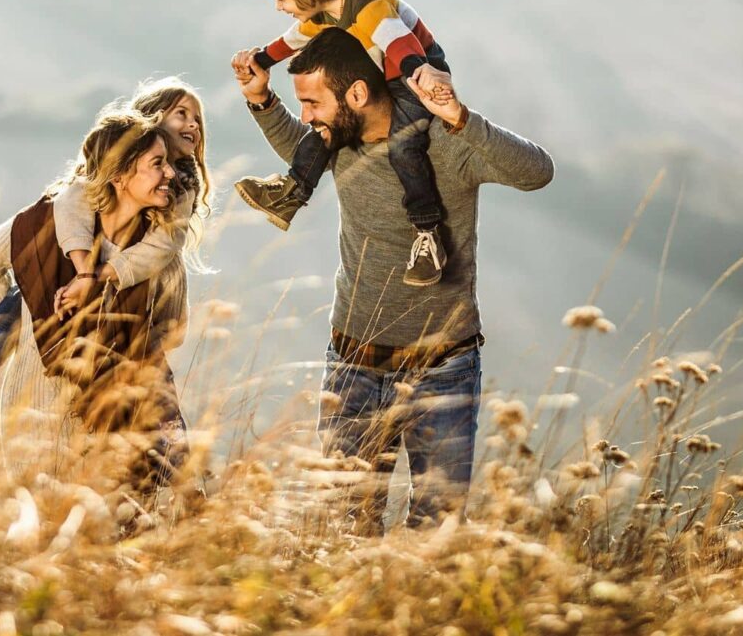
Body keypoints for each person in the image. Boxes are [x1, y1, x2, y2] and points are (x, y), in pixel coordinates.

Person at [233, 27, 553, 531]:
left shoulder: (446, 149)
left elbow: (537, 172)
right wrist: (260, 99)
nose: (309, 117)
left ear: (357, 94)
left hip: (442, 368)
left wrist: (460, 118)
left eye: (313, 103)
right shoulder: (339, 145)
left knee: (435, 530)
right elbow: (298, 145)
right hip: (353, 363)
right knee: (343, 527)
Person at [0, 88, 209, 493]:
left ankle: (186, 489)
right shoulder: (54, 217)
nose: (192, 125)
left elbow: (172, 314)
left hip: (95, 412)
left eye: (196, 119)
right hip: (43, 404)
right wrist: (35, 317)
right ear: (121, 171)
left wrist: (91, 296)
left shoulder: (165, 238)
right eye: (156, 162)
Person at [232, 0, 455, 286]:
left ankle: (427, 233)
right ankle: (292, 193)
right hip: (379, 76)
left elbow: (401, 46)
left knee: (404, 146)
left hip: (415, 76)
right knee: (327, 126)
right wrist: (260, 60)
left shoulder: (369, 7)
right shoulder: (322, 17)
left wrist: (424, 75)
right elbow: (289, 43)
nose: (278, 6)